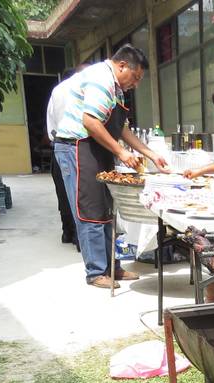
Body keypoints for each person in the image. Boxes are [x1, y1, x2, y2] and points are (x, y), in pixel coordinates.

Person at [52, 45, 169, 289]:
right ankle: (96, 272)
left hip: (96, 148)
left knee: (106, 208)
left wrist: (150, 153)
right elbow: (91, 121)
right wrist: (121, 152)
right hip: (77, 146)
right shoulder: (101, 79)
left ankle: (112, 267)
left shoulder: (117, 88)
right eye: (135, 77)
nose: (135, 84)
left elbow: (122, 128)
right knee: (90, 209)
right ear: (122, 65)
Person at [46, 64, 89, 248]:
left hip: (58, 144)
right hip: (78, 144)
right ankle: (80, 239)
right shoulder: (84, 87)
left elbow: (51, 120)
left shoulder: (57, 90)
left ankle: (68, 232)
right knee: (81, 194)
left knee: (65, 193)